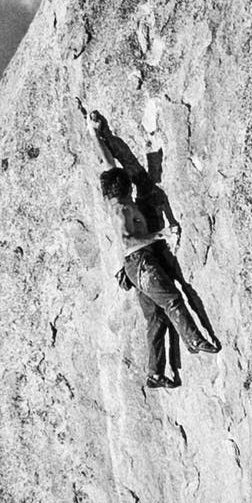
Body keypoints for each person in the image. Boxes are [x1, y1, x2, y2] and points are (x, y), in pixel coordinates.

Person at [89, 109, 222, 387]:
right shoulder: (123, 209)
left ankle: (155, 373)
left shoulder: (114, 196)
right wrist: (161, 233)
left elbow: (106, 160)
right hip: (141, 263)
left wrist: (96, 132)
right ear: (125, 189)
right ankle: (194, 340)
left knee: (156, 319)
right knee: (172, 300)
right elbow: (127, 241)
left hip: (135, 268)